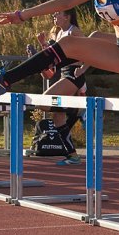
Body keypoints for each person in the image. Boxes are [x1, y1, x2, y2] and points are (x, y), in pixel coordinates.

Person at [34, 8, 88, 165]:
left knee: (43, 102)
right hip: (63, 74)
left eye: (57, 13)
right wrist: (43, 44)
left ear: (67, 17)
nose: (54, 15)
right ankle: (72, 156)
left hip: (73, 75)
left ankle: (78, 111)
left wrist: (82, 70)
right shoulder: (58, 34)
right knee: (58, 118)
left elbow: (92, 53)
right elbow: (53, 62)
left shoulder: (74, 32)